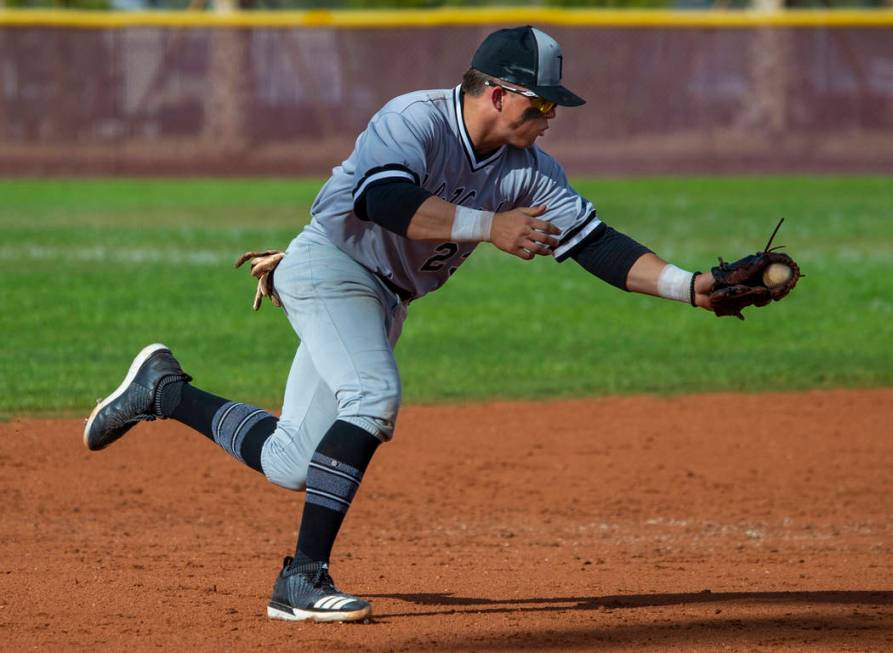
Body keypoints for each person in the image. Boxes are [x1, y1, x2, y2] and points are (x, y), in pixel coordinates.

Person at [84, 25, 718, 623]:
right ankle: (300, 580)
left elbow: (597, 244)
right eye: (541, 104)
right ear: (497, 92)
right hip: (331, 267)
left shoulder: (532, 172)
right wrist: (489, 226)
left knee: (293, 462)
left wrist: (691, 288)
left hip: (385, 300)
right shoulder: (415, 119)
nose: (550, 117)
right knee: (374, 397)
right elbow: (379, 199)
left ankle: (162, 390)